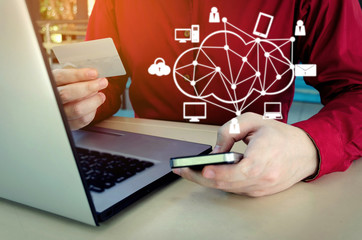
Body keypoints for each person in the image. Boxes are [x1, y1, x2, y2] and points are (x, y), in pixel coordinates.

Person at [53, 0, 362, 197]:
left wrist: (311, 144)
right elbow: (103, 84)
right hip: (138, 169)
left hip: (261, 175)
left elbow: (356, 87)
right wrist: (74, 103)